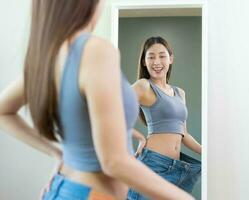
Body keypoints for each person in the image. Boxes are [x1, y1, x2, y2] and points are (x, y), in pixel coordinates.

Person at [0, 1, 195, 200]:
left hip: (66, 187)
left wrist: (57, 152)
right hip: (90, 194)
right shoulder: (96, 50)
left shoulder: (52, 54)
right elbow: (113, 160)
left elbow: (3, 111)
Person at [128, 36, 202, 200]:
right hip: (154, 164)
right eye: (151, 57)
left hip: (179, 169)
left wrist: (207, 152)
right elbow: (110, 110)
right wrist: (140, 137)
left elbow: (184, 134)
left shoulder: (179, 92)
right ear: (144, 62)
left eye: (162, 56)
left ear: (171, 59)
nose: (157, 62)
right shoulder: (144, 86)